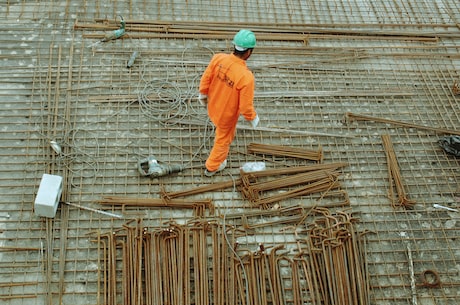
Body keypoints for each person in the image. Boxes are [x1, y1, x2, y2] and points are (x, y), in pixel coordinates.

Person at [199, 29, 260, 177]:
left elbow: (206, 78)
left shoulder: (218, 58)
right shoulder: (246, 77)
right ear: (249, 52)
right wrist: (252, 118)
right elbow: (245, 107)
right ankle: (212, 166)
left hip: (212, 105)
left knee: (221, 131)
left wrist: (202, 93)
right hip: (226, 116)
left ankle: (214, 161)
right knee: (223, 139)